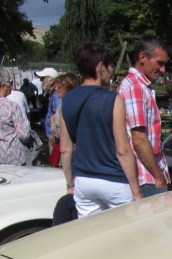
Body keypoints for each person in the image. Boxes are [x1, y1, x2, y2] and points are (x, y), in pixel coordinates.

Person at [60, 43, 141, 217]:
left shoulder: (66, 100)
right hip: (114, 179)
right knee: (124, 234)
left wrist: (70, 184)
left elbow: (65, 150)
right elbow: (123, 151)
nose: (111, 72)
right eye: (110, 66)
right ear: (100, 67)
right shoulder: (112, 99)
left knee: (92, 236)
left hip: (84, 180)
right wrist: (136, 191)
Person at [118, 34, 171, 198]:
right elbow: (139, 139)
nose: (163, 70)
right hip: (146, 177)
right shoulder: (136, 88)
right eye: (159, 63)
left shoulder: (139, 85)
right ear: (142, 57)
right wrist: (158, 176)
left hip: (147, 174)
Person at [49, 73, 81, 168]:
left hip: (68, 153)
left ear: (68, 88)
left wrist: (52, 121)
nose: (56, 89)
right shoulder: (81, 102)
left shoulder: (63, 106)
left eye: (59, 87)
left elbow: (58, 132)